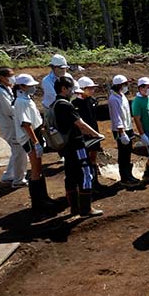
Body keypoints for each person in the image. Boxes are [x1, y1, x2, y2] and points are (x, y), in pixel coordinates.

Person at [52, 76, 105, 217]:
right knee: (86, 174)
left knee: (70, 176)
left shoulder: (55, 104)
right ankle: (86, 208)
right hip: (76, 144)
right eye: (71, 89)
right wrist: (96, 134)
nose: (73, 92)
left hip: (65, 146)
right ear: (64, 89)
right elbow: (80, 124)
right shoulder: (66, 105)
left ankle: (74, 208)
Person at [14, 73, 57, 211]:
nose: (33, 88)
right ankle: (38, 202)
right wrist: (36, 142)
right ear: (21, 86)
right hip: (29, 138)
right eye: (30, 86)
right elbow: (26, 124)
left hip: (35, 135)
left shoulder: (27, 98)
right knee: (35, 169)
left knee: (38, 167)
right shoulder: (20, 102)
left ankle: (43, 197)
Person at [0, 67, 28, 189]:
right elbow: (9, 110)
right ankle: (18, 179)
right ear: (2, 78)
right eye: (10, 75)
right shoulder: (0, 92)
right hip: (9, 126)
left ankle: (8, 177)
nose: (13, 77)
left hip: (13, 125)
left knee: (17, 152)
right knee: (20, 152)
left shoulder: (7, 88)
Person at [72, 77, 106, 192]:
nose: (92, 91)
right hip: (84, 136)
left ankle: (95, 182)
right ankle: (85, 184)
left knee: (93, 157)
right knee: (84, 160)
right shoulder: (75, 104)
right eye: (90, 88)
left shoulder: (92, 101)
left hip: (94, 134)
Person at [107, 75, 140, 188]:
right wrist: (122, 133)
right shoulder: (113, 99)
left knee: (128, 152)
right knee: (123, 153)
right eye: (125, 84)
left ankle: (129, 174)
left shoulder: (122, 96)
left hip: (127, 128)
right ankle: (124, 177)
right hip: (121, 130)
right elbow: (117, 117)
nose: (126, 86)